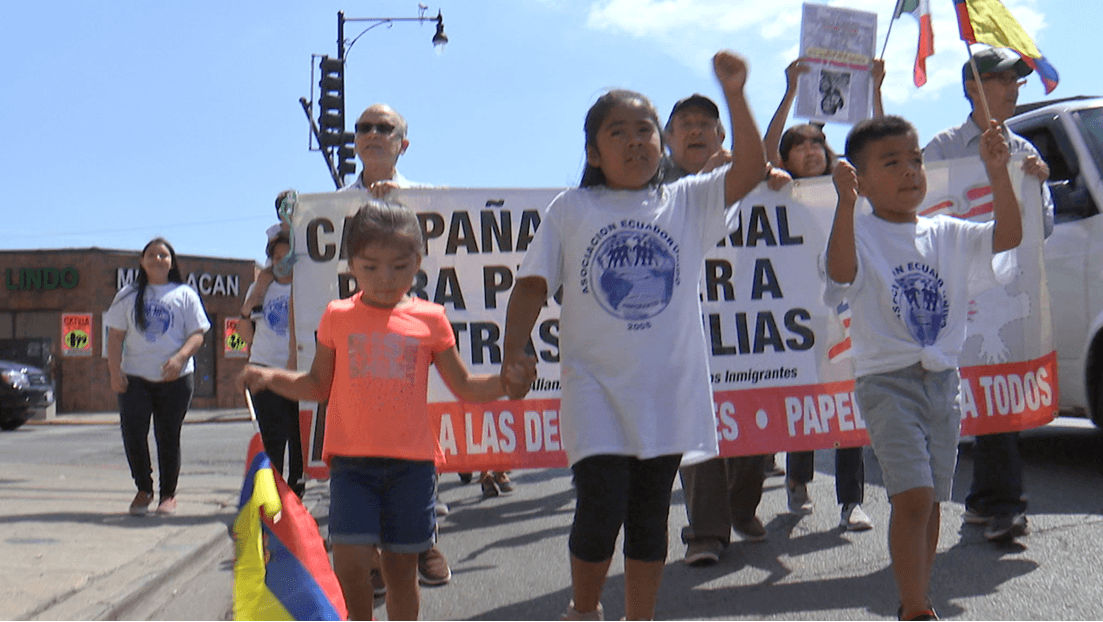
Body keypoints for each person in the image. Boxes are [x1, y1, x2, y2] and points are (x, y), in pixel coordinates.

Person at [501, 50, 766, 621]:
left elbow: (750, 168)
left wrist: (737, 94)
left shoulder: (688, 200)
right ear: (594, 152)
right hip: (593, 388)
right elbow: (531, 286)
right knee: (600, 508)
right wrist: (513, 351)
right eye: (617, 132)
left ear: (663, 143)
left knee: (650, 515)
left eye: (645, 129)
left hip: (670, 390)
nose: (635, 140)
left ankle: (638, 616)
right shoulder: (571, 208)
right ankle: (586, 608)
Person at [238, 202, 535, 621]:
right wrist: (269, 377)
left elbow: (465, 386)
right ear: (352, 265)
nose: (385, 279)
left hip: (411, 469)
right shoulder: (337, 316)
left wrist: (507, 384)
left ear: (417, 263)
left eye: (399, 267)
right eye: (371, 267)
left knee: (400, 573)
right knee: (350, 563)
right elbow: (317, 385)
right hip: (351, 467)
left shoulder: (431, 319)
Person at [824, 115, 1022, 620]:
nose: (911, 171)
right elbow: (841, 272)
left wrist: (999, 173)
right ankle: (915, 608)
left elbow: (1007, 238)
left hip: (942, 381)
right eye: (892, 162)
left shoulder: (947, 231)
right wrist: (844, 206)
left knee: (930, 500)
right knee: (911, 495)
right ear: (860, 179)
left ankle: (918, 593)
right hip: (886, 381)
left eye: (915, 160)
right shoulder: (860, 230)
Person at [924, 46, 1054, 543]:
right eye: (1005, 80)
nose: (1015, 88)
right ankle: (979, 502)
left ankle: (996, 503)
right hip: (955, 293)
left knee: (999, 390)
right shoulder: (943, 149)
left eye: (1017, 81)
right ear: (974, 88)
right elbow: (915, 208)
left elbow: (1041, 227)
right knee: (952, 401)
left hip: (1004, 290)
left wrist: (1037, 188)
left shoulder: (1025, 153)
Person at [763, 58, 886, 531]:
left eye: (818, 141)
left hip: (845, 306)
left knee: (847, 399)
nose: (811, 148)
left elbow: (878, 139)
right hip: (795, 311)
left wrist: (874, 90)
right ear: (787, 156)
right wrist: (791, 89)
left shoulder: (847, 189)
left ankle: (851, 501)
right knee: (805, 397)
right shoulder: (779, 190)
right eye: (801, 144)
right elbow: (768, 146)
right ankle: (798, 478)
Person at [341, 102, 453, 590]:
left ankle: (421, 541)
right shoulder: (330, 202)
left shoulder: (430, 200)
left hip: (414, 341)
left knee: (418, 436)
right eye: (363, 127)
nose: (371, 133)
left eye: (383, 127)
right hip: (358, 342)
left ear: (402, 142)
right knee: (358, 440)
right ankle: (370, 554)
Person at [662, 92, 770, 566]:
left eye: (707, 123)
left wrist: (774, 182)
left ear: (722, 136)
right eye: (685, 123)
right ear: (668, 140)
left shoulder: (746, 179)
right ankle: (705, 531)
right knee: (698, 428)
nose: (697, 130)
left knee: (753, 424)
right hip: (683, 332)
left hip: (749, 327)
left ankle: (741, 506)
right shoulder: (648, 185)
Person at [105, 238, 211, 517]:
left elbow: (197, 333)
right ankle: (144, 489)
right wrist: (115, 373)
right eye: (151, 255)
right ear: (142, 261)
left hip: (175, 380)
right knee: (133, 434)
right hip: (135, 379)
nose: (157, 259)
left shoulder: (184, 294)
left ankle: (168, 495)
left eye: (163, 255)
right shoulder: (127, 295)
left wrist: (180, 359)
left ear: (172, 262)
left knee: (167, 436)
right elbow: (115, 338)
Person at [236, 232, 304, 497]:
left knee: (299, 441)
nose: (282, 262)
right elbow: (245, 336)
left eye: (288, 256)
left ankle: (295, 497)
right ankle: (271, 500)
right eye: (277, 258)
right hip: (264, 370)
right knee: (272, 440)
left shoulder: (307, 286)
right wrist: (248, 307)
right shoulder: (262, 287)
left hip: (298, 373)